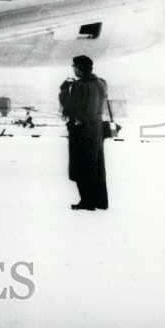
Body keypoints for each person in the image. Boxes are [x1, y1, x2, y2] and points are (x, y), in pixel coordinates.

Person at [59, 55, 109, 211]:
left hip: (81, 131)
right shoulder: (101, 83)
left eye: (75, 67)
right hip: (96, 129)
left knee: (81, 166)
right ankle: (100, 201)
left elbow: (69, 107)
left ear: (80, 69)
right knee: (96, 166)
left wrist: (64, 90)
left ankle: (87, 201)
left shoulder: (81, 86)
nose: (74, 69)